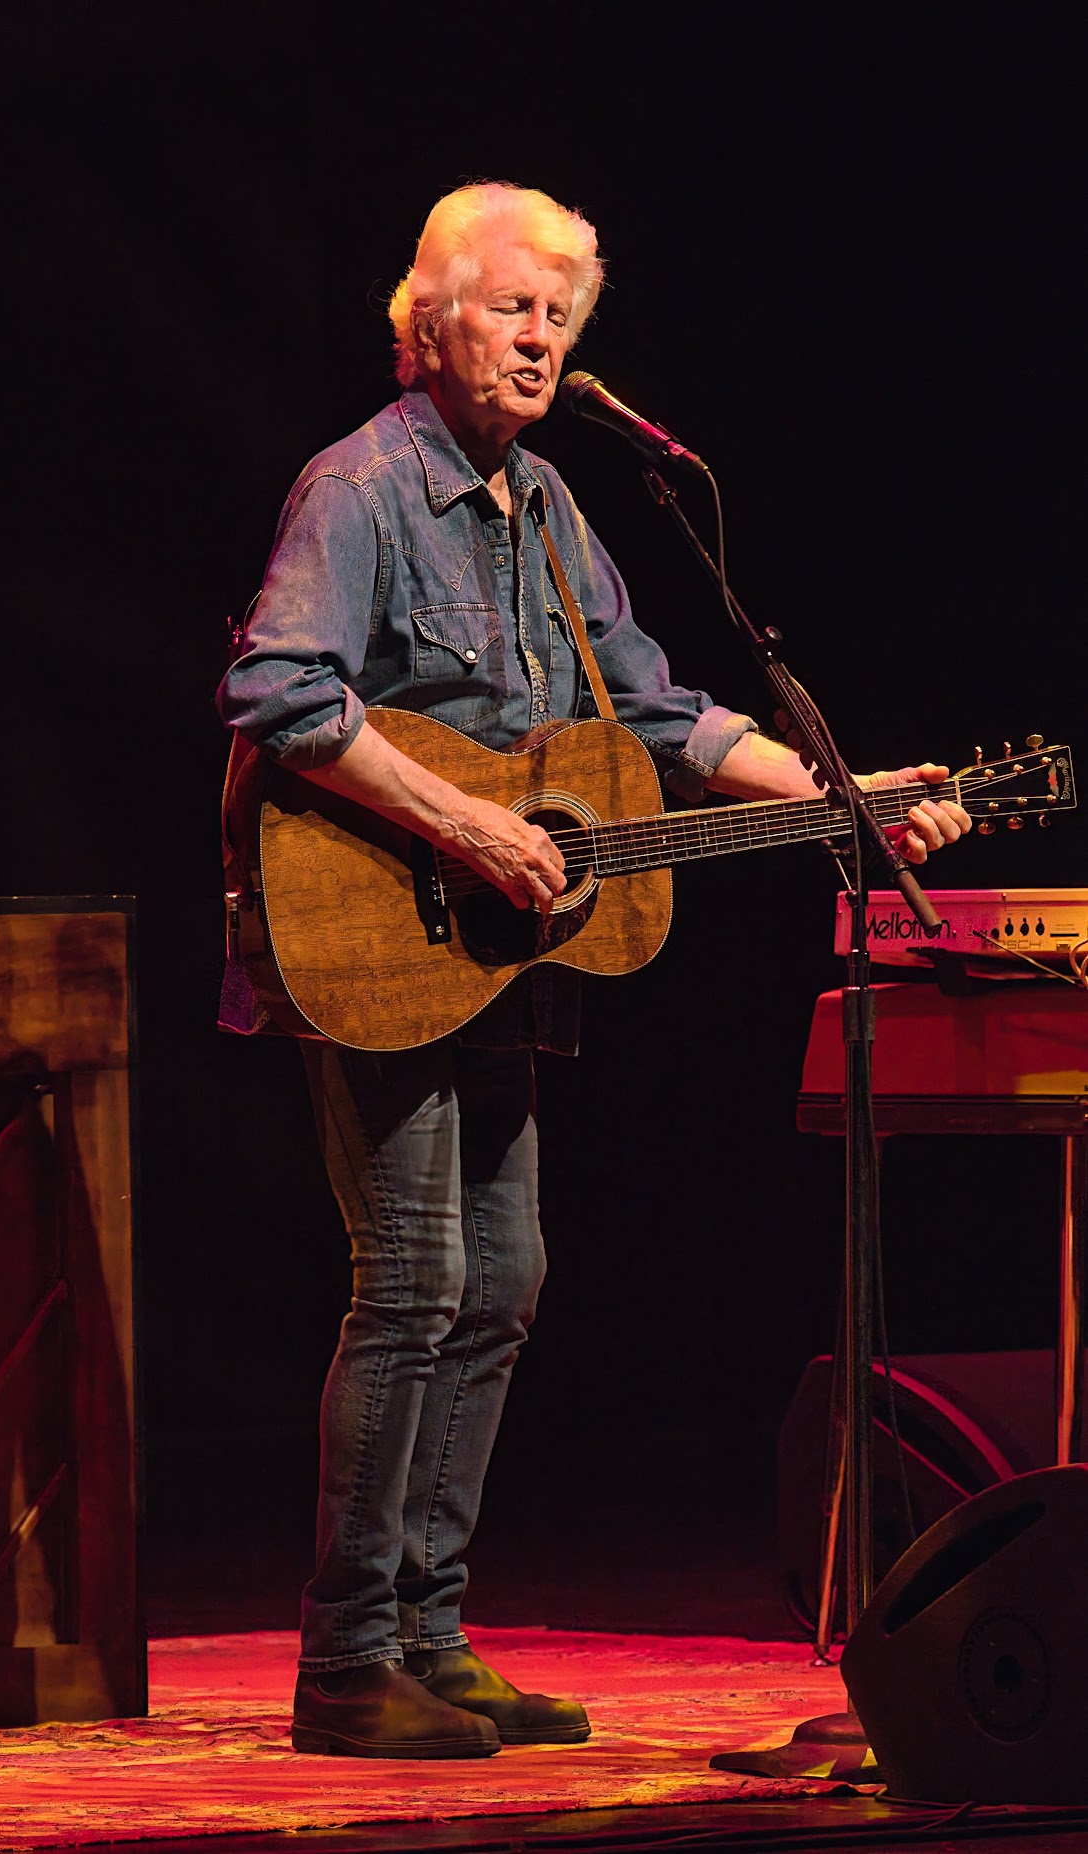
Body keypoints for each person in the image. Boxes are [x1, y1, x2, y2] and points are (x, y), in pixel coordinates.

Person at [217, 183, 970, 1760]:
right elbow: (279, 692)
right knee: (416, 1277)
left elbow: (660, 715)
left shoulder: (551, 508)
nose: (543, 333)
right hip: (371, 922)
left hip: (486, 960)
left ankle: (433, 1630)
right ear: (429, 322)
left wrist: (855, 797)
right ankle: (349, 1655)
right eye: (512, 304)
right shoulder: (358, 489)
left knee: (506, 1276)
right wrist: (469, 826)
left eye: (562, 311)